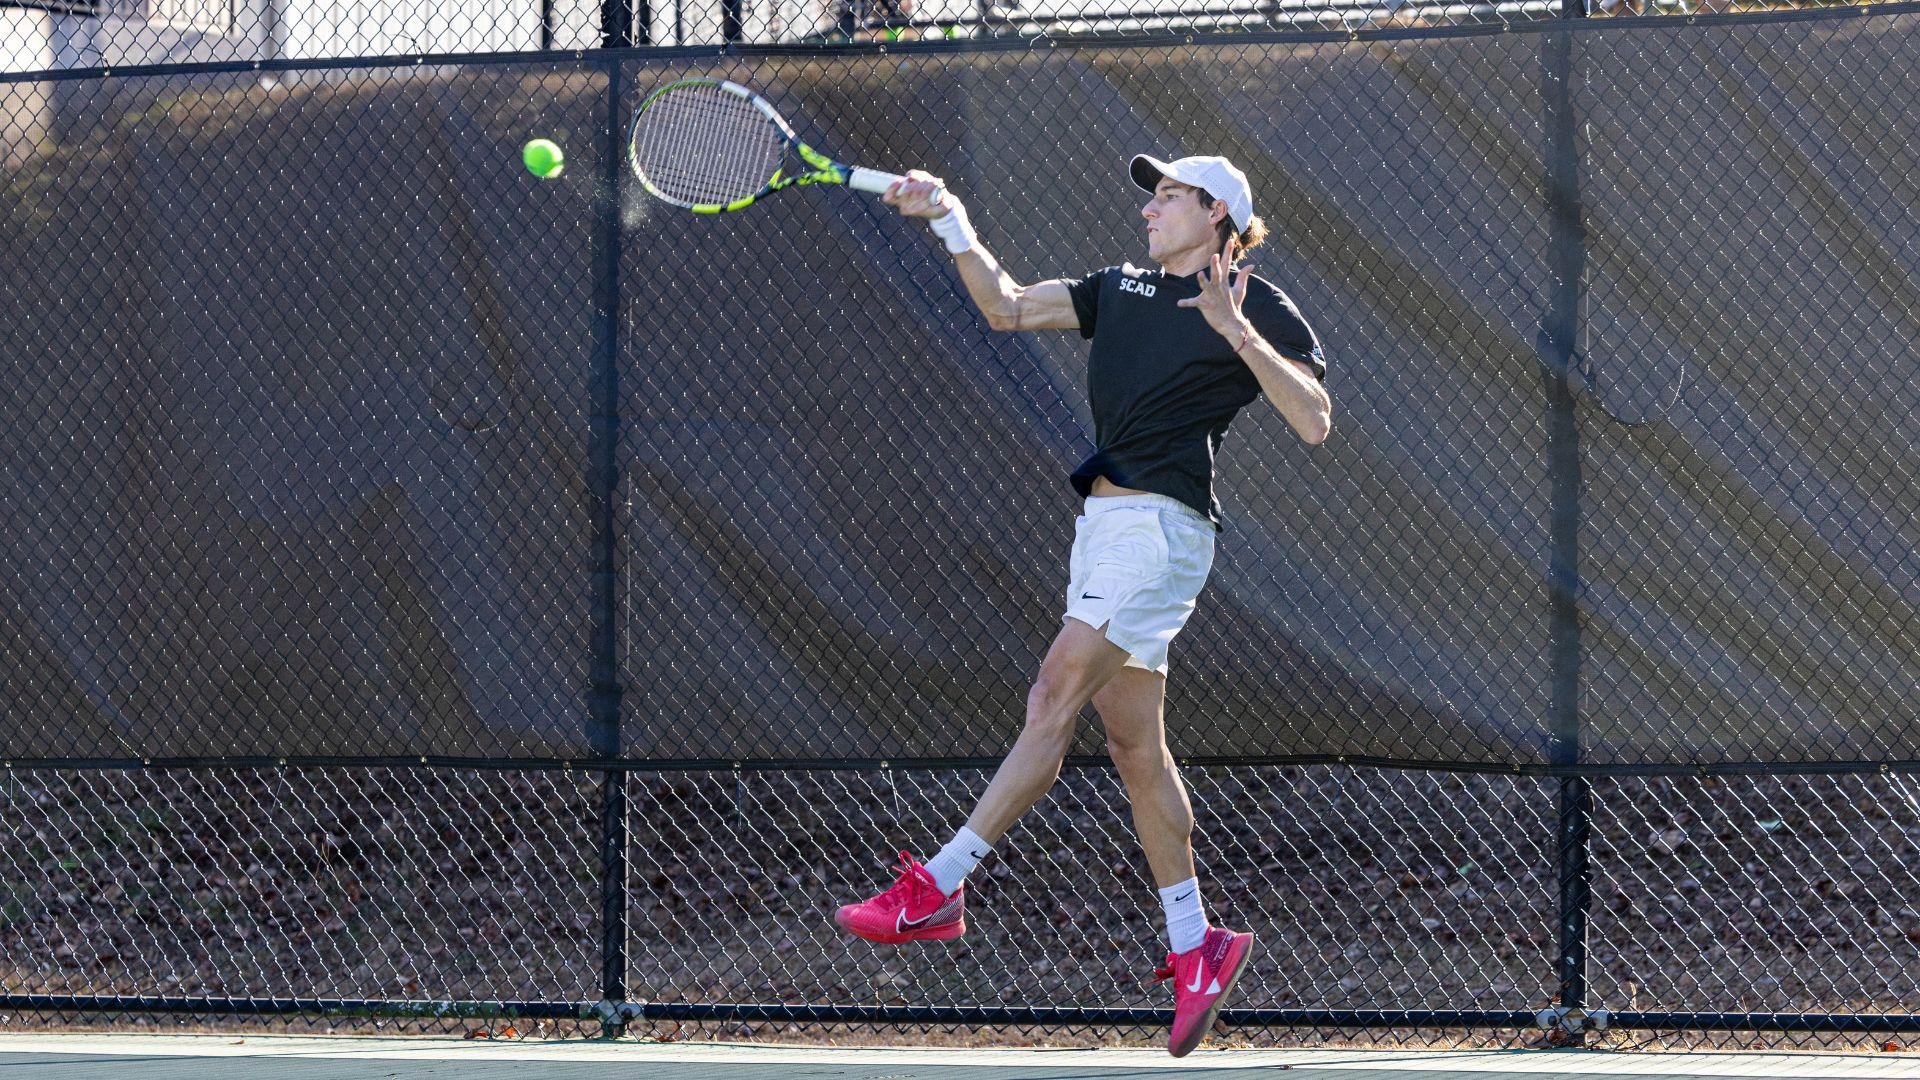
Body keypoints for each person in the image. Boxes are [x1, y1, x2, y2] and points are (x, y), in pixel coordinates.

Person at [834, 154, 1332, 1057]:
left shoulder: (1256, 301)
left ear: (1217, 214)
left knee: (1051, 694)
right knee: (1135, 746)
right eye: (1152, 194)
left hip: (1162, 529)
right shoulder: (1121, 286)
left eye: (1170, 195)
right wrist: (949, 215)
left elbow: (1315, 420)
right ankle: (1197, 945)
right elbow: (1009, 304)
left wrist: (1238, 335)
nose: (1150, 208)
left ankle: (938, 888)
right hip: (1106, 530)